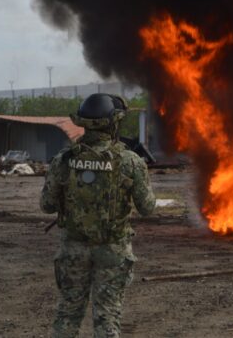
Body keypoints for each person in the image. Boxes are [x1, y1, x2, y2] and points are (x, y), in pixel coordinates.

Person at [40, 93, 155, 337]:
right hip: (113, 250)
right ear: (113, 122)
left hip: (73, 249)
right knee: (107, 317)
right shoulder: (129, 161)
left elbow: (46, 205)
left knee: (67, 314)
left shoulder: (64, 160)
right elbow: (147, 207)